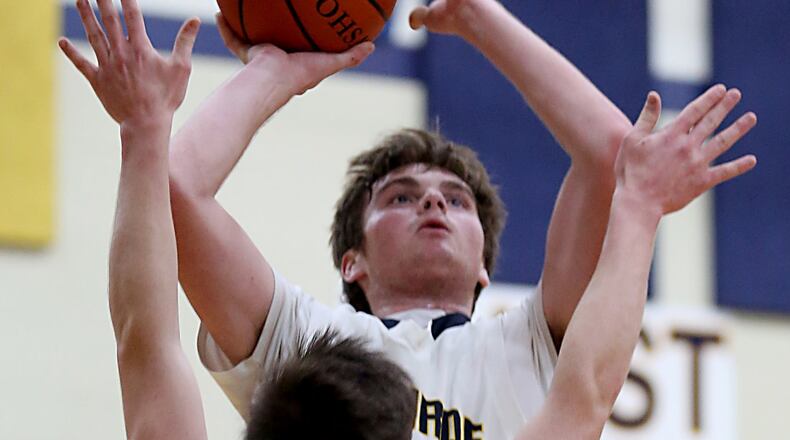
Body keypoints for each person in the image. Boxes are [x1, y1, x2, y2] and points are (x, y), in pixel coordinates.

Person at [61, 3, 757, 437]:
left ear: (487, 264)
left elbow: (615, 164)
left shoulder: (525, 341)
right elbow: (175, 195)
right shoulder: (311, 337)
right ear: (351, 263)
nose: (431, 202)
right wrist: (277, 69)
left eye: (455, 200)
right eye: (398, 196)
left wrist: (479, 16)